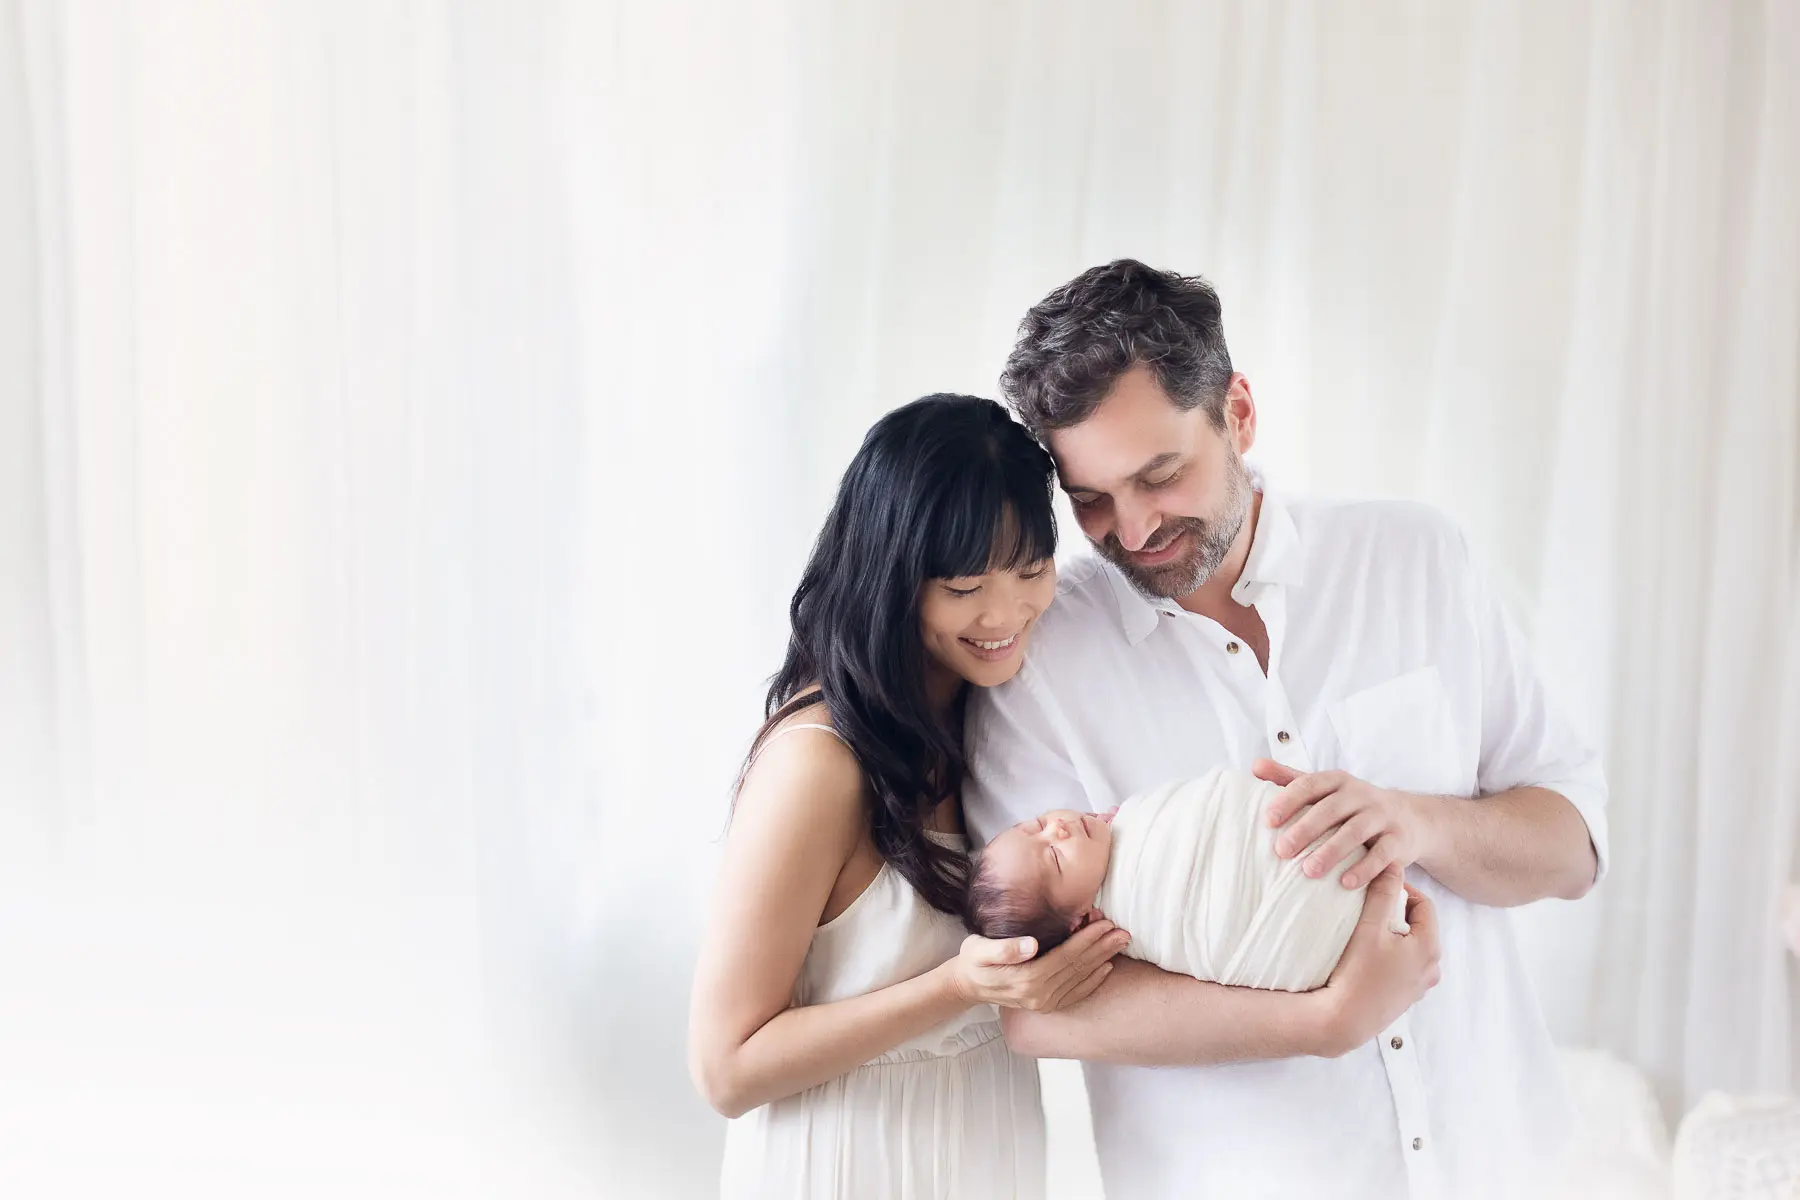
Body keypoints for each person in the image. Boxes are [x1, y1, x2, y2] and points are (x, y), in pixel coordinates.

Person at [964, 260, 1609, 1199]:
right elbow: (1037, 1011)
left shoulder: (1417, 557)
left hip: (1500, 1160)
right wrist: (1323, 1020)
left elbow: (1576, 849)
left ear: (1238, 412)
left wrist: (1420, 823)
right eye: (1092, 499)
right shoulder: (1040, 662)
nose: (1133, 528)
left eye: (1161, 474)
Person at [686, 394, 1127, 1200]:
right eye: (964, 588)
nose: (1005, 614)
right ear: (892, 579)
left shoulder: (993, 715)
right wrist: (958, 987)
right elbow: (726, 1068)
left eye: (1031, 571)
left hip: (990, 1152)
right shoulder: (819, 764)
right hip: (849, 1165)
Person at [965, 768, 1417, 992]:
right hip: (1292, 922)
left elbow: (1219, 805)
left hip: (1330, 853)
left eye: (1039, 823)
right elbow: (1202, 925)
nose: (1057, 830)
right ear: (1079, 920)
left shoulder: (1134, 818)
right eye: (1056, 860)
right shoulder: (1131, 919)